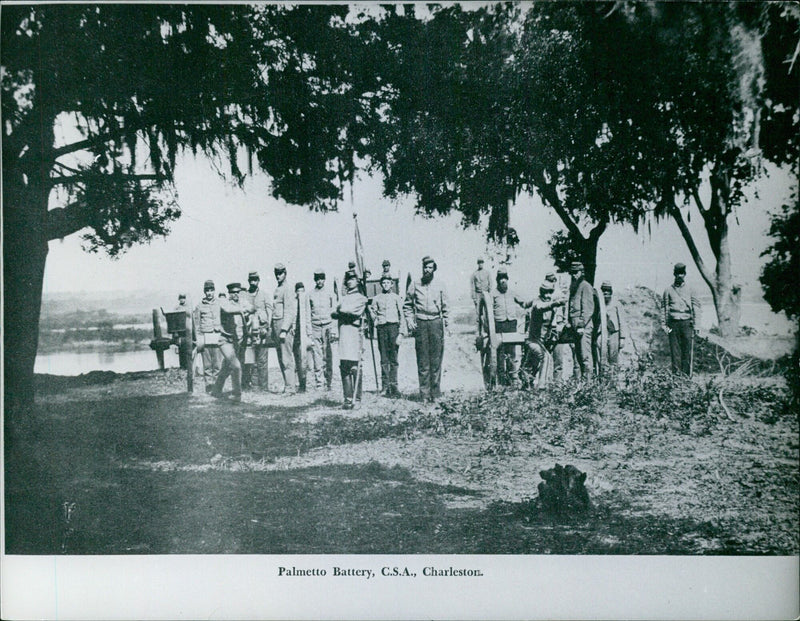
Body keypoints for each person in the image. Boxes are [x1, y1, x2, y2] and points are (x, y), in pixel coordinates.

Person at [403, 256, 449, 402]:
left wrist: (447, 324)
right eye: (425, 267)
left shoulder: (440, 285)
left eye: (430, 267)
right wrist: (410, 320)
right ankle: (424, 394)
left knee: (436, 359)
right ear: (422, 268)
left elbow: (446, 307)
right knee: (423, 360)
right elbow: (407, 305)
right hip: (421, 324)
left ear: (434, 269)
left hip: (436, 323)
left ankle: (435, 394)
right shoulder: (415, 284)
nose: (427, 270)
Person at [332, 271, 368, 409]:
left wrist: (342, 311)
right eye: (347, 279)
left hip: (354, 333)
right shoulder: (343, 297)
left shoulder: (361, 298)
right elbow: (334, 312)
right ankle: (347, 399)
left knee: (355, 366)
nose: (349, 282)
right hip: (344, 333)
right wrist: (342, 311)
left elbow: (354, 312)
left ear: (357, 281)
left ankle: (357, 399)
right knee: (344, 366)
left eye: (352, 279)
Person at [210, 282, 250, 403]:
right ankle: (237, 395)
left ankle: (216, 390)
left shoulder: (242, 302)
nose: (236, 295)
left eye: (238, 292)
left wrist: (248, 310)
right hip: (225, 340)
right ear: (229, 293)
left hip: (237, 341)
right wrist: (242, 310)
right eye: (233, 293)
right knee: (236, 366)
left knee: (226, 368)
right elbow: (228, 310)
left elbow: (252, 308)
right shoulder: (224, 302)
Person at [525, 281, 567, 387]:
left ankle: (528, 383)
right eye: (545, 293)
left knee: (532, 363)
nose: (548, 295)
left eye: (550, 293)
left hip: (543, 340)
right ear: (541, 292)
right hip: (533, 340)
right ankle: (541, 386)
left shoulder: (552, 304)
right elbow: (541, 307)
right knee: (545, 357)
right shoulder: (537, 303)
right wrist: (555, 303)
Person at [662, 263, 701, 375]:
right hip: (673, 325)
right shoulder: (668, 290)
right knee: (675, 352)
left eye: (682, 273)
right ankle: (676, 378)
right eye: (678, 273)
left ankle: (686, 377)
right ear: (674, 274)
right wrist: (664, 325)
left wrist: (697, 325)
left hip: (686, 324)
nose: (680, 276)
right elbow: (664, 308)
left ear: (685, 274)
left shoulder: (691, 289)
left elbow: (696, 307)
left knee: (687, 351)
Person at [491, 269, 527, 386]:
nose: (503, 281)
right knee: (500, 353)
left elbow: (523, 303)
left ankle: (512, 378)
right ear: (497, 280)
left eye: (505, 278)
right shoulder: (493, 294)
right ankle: (501, 380)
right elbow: (487, 311)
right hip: (499, 324)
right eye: (500, 278)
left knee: (511, 352)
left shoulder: (512, 293)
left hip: (511, 324)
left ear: (507, 280)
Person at [370, 273, 404, 397]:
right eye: (383, 283)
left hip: (393, 328)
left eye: (388, 283)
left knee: (394, 359)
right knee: (384, 359)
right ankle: (385, 386)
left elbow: (402, 316)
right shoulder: (376, 298)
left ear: (392, 284)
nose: (385, 285)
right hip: (382, 329)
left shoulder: (396, 298)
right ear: (381, 284)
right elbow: (372, 312)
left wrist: (401, 333)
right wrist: (375, 320)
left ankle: (394, 386)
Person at [241, 271, 272, 391]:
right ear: (248, 281)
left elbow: (269, 311)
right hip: (249, 333)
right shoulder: (244, 296)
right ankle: (253, 386)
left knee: (262, 360)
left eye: (255, 279)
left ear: (259, 280)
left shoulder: (264, 295)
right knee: (251, 360)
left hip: (262, 331)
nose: (253, 282)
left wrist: (268, 327)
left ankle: (263, 387)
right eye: (251, 280)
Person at [271, 263, 297, 393]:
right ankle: (287, 385)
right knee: (281, 358)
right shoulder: (278, 288)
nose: (278, 275)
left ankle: (290, 387)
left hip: (283, 328)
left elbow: (290, 311)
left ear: (285, 273)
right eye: (276, 273)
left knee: (286, 358)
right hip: (276, 326)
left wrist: (284, 330)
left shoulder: (287, 289)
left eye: (280, 273)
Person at [308, 269, 335, 391]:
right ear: (315, 280)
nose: (320, 281)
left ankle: (328, 382)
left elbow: (334, 311)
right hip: (315, 327)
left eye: (322, 278)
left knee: (328, 355)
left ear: (324, 279)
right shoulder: (310, 295)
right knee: (317, 356)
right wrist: (309, 331)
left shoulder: (330, 294)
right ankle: (319, 383)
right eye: (317, 278)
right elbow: (308, 314)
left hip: (327, 326)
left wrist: (333, 328)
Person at [568, 261, 596, 379]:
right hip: (575, 327)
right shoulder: (574, 287)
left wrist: (581, 325)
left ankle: (588, 384)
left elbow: (588, 309)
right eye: (572, 273)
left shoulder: (586, 286)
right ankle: (580, 383)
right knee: (578, 356)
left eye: (576, 273)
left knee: (585, 356)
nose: (574, 275)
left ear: (581, 272)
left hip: (583, 327)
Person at [193, 280, 222, 391]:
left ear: (214, 291)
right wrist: (199, 338)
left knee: (218, 364)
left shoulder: (220, 304)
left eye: (211, 290)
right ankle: (209, 387)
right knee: (208, 364)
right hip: (205, 337)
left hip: (217, 336)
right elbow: (197, 324)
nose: (209, 293)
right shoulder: (199, 306)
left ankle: (218, 387)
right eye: (207, 291)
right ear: (204, 292)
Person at [597, 281, 625, 370]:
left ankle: (613, 381)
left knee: (613, 360)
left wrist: (622, 338)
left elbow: (622, 321)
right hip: (601, 333)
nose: (605, 293)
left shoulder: (616, 304)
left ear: (611, 292)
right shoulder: (598, 304)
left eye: (608, 291)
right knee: (601, 358)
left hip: (614, 333)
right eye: (604, 290)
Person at [293, 282, 313, 392]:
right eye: (298, 291)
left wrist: (309, 334)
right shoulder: (293, 302)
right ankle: (298, 383)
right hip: (295, 335)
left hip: (304, 335)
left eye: (302, 291)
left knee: (305, 360)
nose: (300, 293)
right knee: (296, 360)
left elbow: (308, 318)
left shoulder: (306, 302)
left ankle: (304, 384)